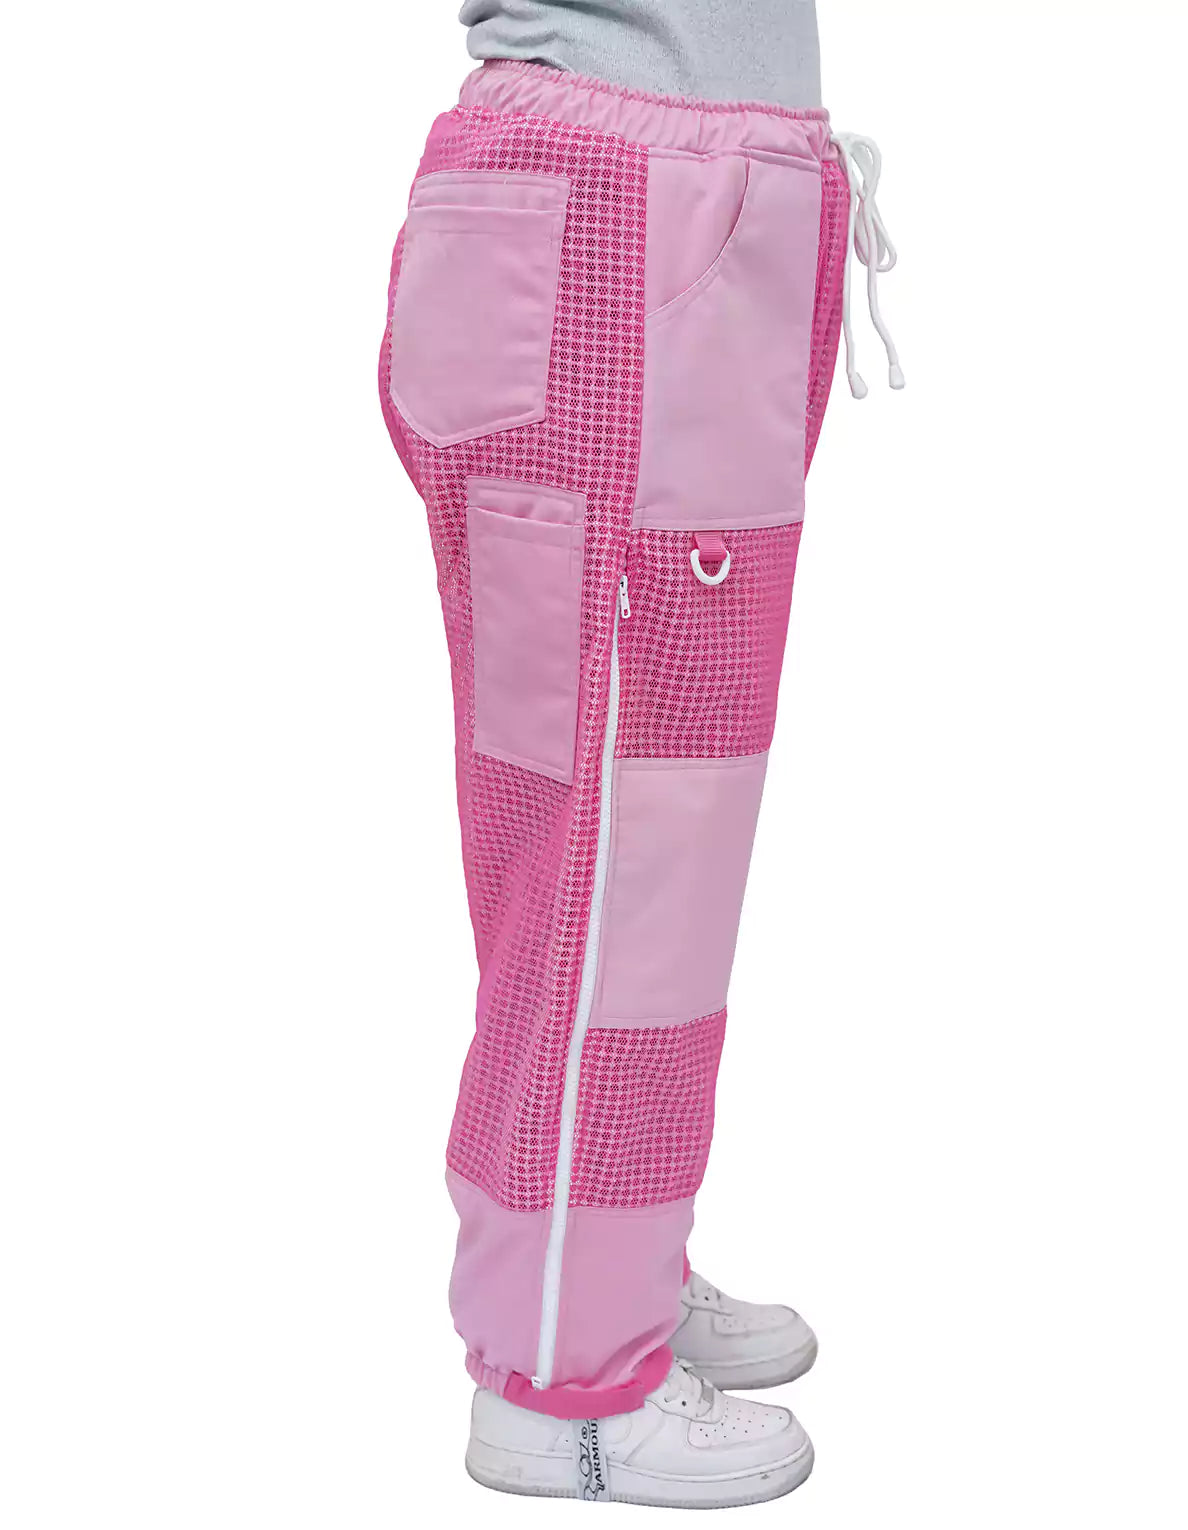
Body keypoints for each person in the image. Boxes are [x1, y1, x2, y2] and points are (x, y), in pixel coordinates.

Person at [379, 0, 902, 1507]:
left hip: (670, 195)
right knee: (617, 832)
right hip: (622, 203)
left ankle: (604, 1255)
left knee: (643, 816)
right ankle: (565, 1379)